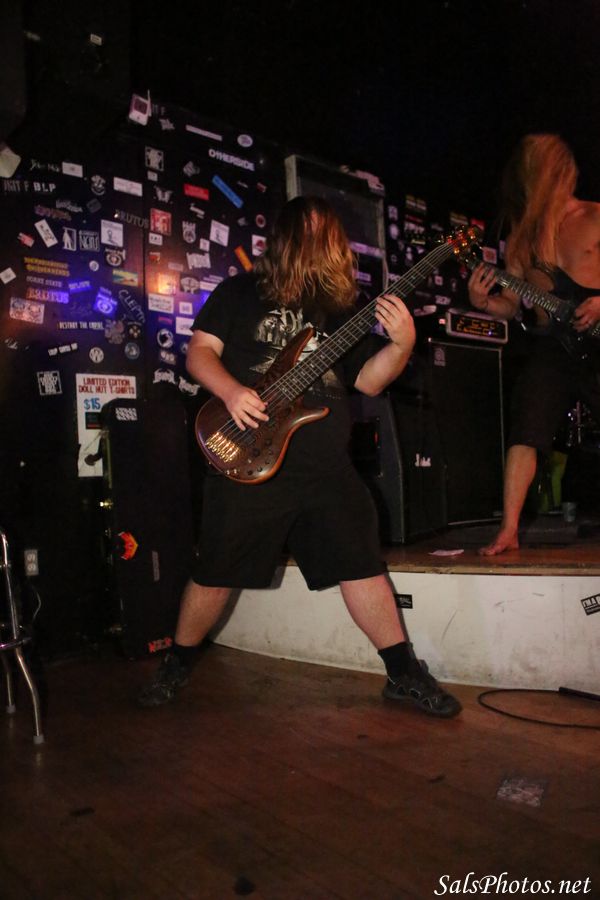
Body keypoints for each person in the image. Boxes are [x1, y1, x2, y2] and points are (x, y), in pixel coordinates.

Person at [138, 195, 461, 717]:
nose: (319, 241)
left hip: (324, 467)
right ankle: (176, 664)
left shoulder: (345, 309)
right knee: (215, 571)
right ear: (285, 237)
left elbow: (368, 381)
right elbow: (199, 353)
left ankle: (403, 673)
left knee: (362, 565)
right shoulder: (240, 291)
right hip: (249, 454)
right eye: (309, 231)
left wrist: (401, 345)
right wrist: (231, 392)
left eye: (326, 232)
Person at [468, 134, 600, 555]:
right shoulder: (522, 239)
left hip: (597, 337)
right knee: (526, 426)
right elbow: (511, 305)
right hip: (552, 347)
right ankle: (508, 529)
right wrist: (484, 302)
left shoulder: (595, 215)